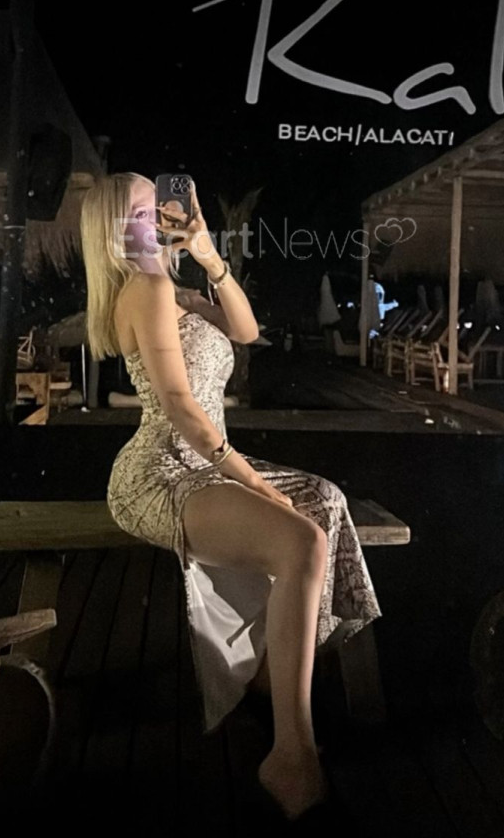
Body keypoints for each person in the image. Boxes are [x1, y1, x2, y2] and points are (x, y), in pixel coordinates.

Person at [80, 172, 381, 822]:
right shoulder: (145, 289)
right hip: (163, 471)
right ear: (116, 230)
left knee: (324, 497)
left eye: (161, 205)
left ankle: (275, 678)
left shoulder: (180, 289)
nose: (162, 215)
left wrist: (209, 255)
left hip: (209, 462)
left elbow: (246, 331)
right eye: (145, 210)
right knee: (301, 538)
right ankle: (291, 752)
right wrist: (255, 483)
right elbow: (181, 408)